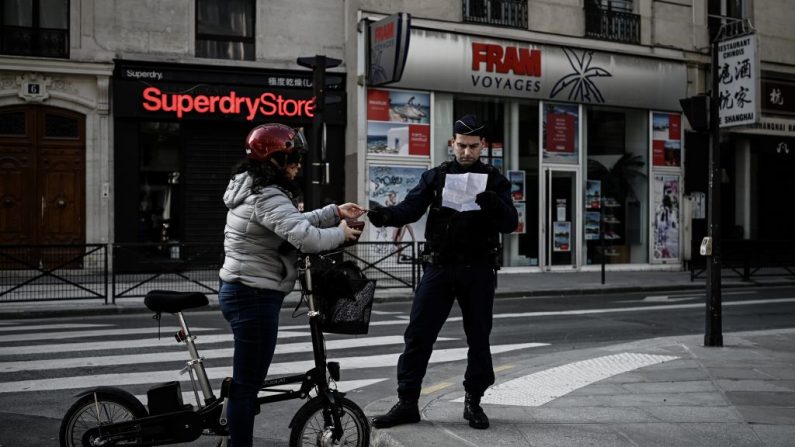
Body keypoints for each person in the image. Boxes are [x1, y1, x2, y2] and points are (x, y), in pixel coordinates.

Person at [368, 114, 518, 430]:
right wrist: (383, 216)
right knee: (418, 335)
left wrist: (493, 203)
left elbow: (509, 223)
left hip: (478, 269)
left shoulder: (495, 179)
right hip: (439, 267)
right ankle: (407, 403)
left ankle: (473, 402)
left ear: (483, 146)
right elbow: (410, 208)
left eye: (473, 147)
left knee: (478, 339)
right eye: (461, 146)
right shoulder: (436, 176)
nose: (466, 152)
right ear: (452, 143)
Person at [218, 123, 365, 446]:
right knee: (247, 386)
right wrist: (341, 233)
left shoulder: (257, 189)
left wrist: (333, 212)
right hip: (252, 295)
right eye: (293, 158)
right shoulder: (266, 195)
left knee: (247, 380)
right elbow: (304, 237)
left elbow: (292, 222)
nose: (298, 165)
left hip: (248, 291)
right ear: (273, 160)